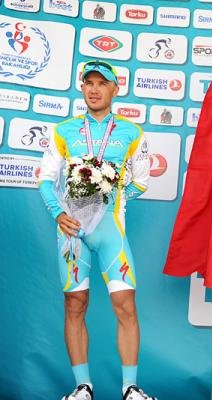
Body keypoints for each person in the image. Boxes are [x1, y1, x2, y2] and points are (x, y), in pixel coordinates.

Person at [38, 60, 156, 400]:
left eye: (102, 83)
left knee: (126, 305)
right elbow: (45, 180)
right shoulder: (64, 130)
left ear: (114, 90)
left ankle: (130, 388)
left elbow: (141, 182)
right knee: (75, 304)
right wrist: (59, 213)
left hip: (110, 231)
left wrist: (112, 200)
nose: (94, 89)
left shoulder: (131, 132)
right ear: (82, 88)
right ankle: (82, 387)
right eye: (88, 83)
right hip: (72, 232)